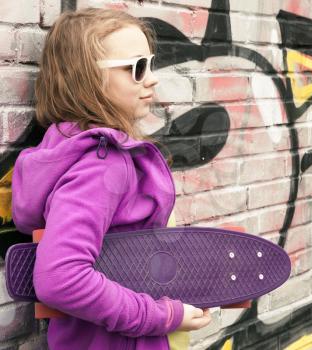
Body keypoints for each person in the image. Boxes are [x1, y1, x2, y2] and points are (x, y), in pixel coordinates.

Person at [11, 7, 211, 350]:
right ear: (88, 79)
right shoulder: (103, 165)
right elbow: (60, 278)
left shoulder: (71, 152)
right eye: (136, 68)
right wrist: (162, 316)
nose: (152, 78)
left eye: (149, 63)